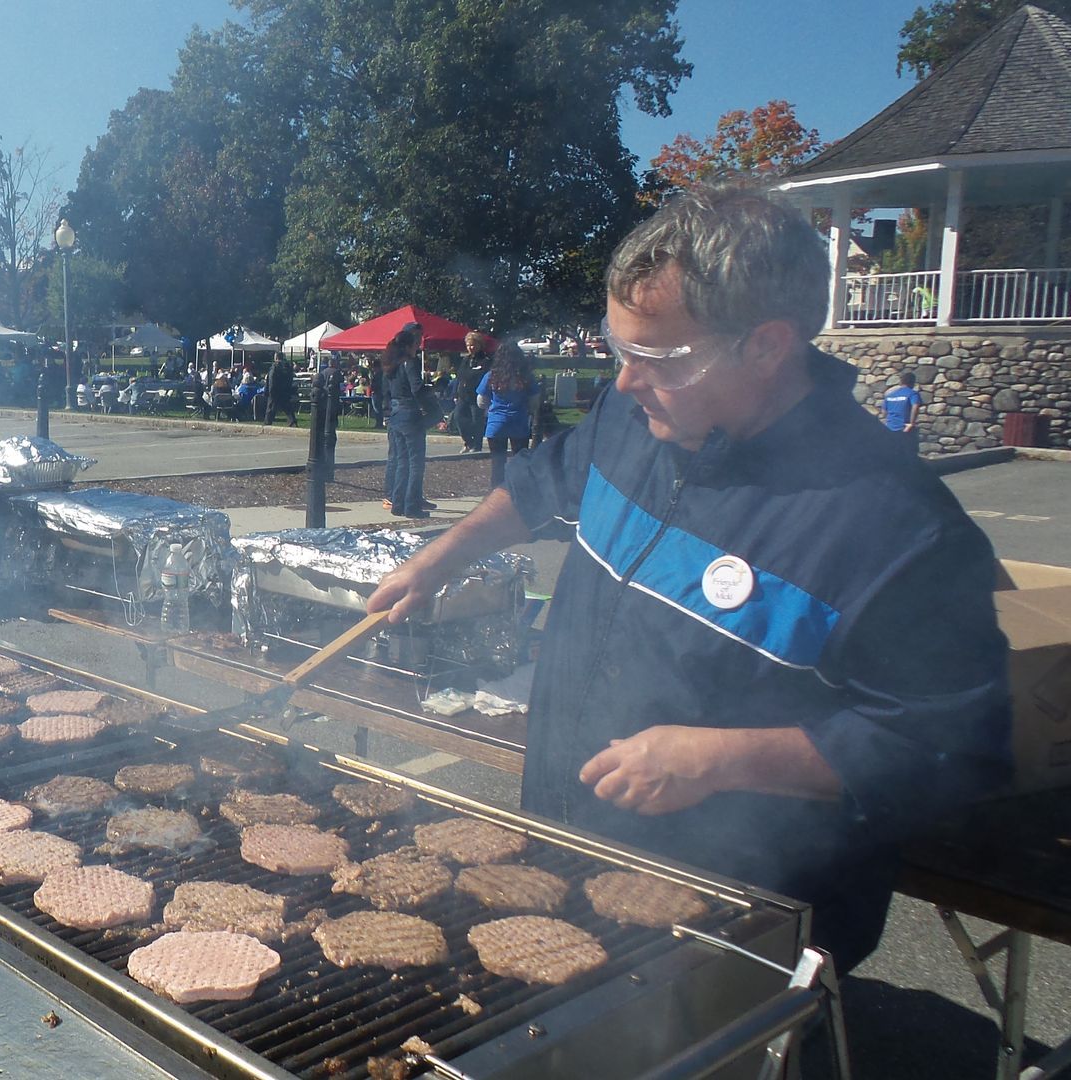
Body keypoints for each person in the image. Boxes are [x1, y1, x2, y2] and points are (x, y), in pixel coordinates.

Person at [367, 185, 1010, 972]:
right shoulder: (636, 416)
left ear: (768, 345)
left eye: (660, 358)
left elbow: (953, 748)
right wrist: (443, 556)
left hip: (733, 915)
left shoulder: (899, 531)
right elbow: (542, 482)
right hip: (564, 841)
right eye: (619, 347)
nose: (627, 382)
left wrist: (720, 759)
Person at [378, 322, 435, 517]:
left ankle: (398, 503)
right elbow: (416, 388)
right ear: (409, 346)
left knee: (402, 461)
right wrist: (431, 403)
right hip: (410, 413)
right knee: (415, 462)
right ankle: (412, 506)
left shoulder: (391, 365)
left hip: (395, 414)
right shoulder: (409, 363)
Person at [475, 342, 541, 488]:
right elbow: (535, 402)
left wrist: (491, 408)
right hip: (519, 422)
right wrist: (527, 409)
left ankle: (496, 493)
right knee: (520, 462)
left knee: (497, 463)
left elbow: (481, 401)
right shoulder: (526, 377)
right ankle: (519, 492)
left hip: (496, 423)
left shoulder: (491, 376)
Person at [452, 332, 491, 452]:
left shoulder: (485, 360)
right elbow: (460, 376)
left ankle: (477, 445)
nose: (471, 348)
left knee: (476, 420)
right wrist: (455, 393)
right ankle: (468, 441)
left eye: (473, 345)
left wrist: (472, 373)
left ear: (479, 345)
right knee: (458, 417)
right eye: (468, 345)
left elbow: (481, 375)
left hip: (476, 395)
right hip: (463, 394)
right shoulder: (465, 360)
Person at [881, 371, 922, 444]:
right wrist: (911, 423)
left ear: (901, 382)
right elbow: (915, 407)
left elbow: (884, 412)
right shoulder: (912, 394)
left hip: (890, 428)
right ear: (913, 383)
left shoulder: (890, 395)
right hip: (904, 428)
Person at [264, 355, 300, 426]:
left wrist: (269, 391)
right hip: (285, 390)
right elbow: (290, 378)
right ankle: (292, 420)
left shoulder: (274, 367)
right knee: (286, 406)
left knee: (270, 408)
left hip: (275, 390)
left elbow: (271, 380)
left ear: (276, 357)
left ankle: (267, 424)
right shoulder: (287, 367)